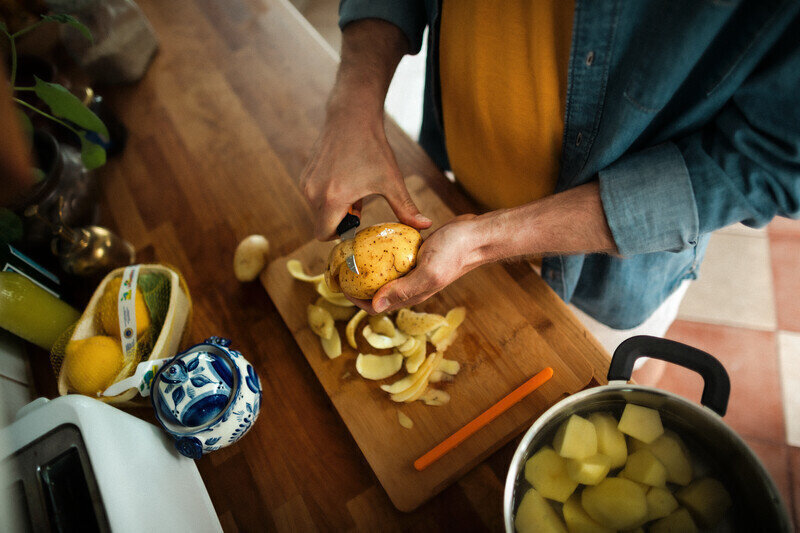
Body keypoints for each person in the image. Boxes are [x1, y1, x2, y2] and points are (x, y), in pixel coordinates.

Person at [299, 1, 800, 358]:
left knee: (602, 385)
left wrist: (482, 244)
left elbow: (770, 161)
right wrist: (353, 104)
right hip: (456, 187)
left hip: (608, 269)